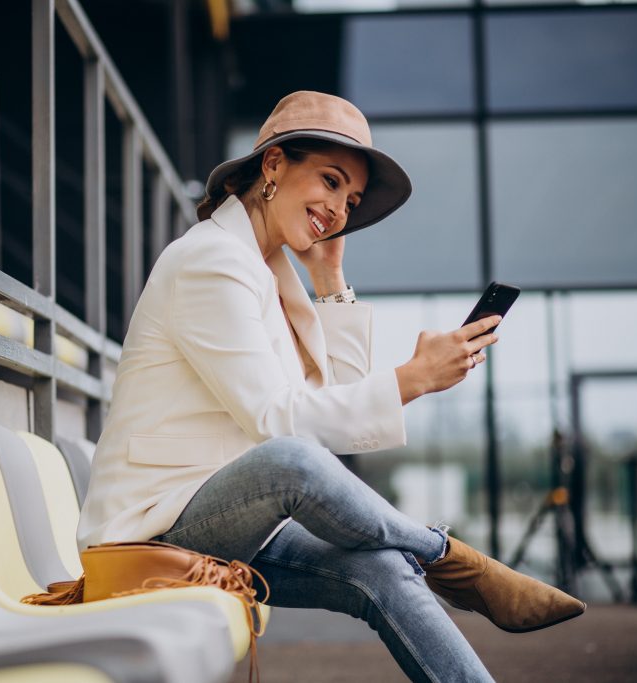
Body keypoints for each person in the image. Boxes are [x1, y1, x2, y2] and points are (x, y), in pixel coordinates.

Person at [77, 91, 585, 682]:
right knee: (289, 459)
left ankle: (443, 576)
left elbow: (333, 413)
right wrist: (412, 379)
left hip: (224, 521)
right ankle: (449, 557)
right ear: (273, 165)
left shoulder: (269, 271)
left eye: (352, 198)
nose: (340, 208)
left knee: (383, 569)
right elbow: (281, 424)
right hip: (151, 531)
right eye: (330, 180)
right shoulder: (211, 261)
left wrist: (330, 278)